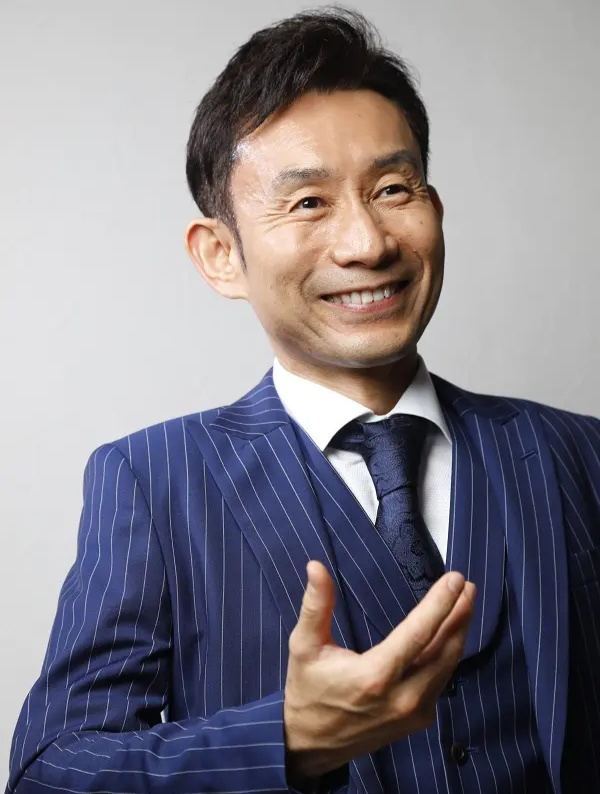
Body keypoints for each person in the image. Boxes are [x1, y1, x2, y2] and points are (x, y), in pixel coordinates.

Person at [6, 8, 600, 794]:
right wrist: (287, 741)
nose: (367, 244)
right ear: (222, 255)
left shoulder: (580, 452)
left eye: (394, 189)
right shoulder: (154, 481)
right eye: (309, 203)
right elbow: (51, 772)